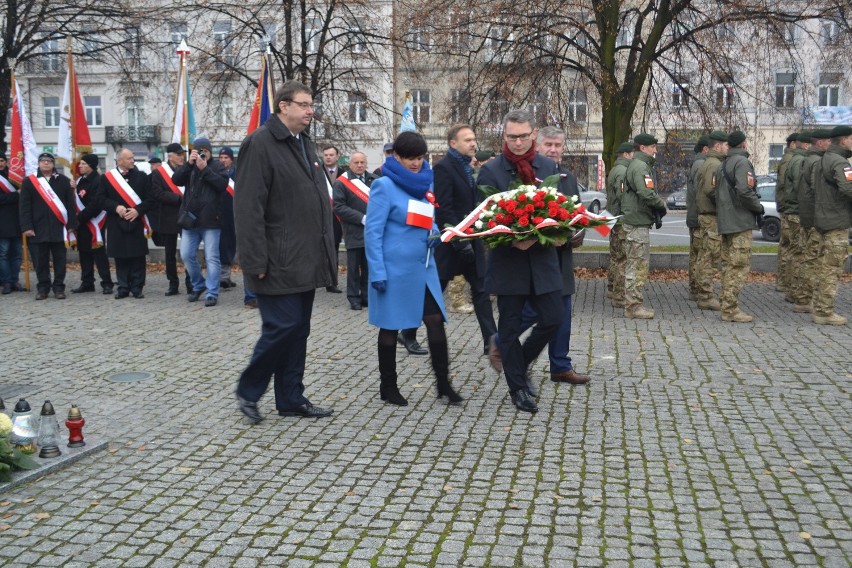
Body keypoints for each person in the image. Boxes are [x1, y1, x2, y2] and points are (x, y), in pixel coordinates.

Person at [234, 80, 337, 423]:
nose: (310, 111)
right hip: (275, 261)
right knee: (282, 328)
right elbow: (248, 209)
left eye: (312, 105)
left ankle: (291, 397)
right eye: (304, 105)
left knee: (297, 330)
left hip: (304, 259)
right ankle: (249, 391)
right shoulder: (259, 144)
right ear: (283, 106)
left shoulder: (303, 143)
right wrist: (254, 261)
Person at [365, 131, 462, 407]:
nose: (416, 163)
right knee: (390, 328)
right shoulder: (384, 185)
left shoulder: (423, 184)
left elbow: (424, 219)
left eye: (419, 157)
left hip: (424, 269)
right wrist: (378, 272)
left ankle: (443, 384)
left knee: (434, 321)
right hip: (393, 272)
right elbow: (373, 232)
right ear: (396, 156)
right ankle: (389, 386)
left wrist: (434, 232)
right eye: (409, 157)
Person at [478, 109, 563, 413]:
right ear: (504, 136)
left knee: (554, 317)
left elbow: (561, 211)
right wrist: (511, 237)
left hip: (542, 260)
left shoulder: (548, 167)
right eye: (511, 137)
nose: (517, 142)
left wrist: (557, 233)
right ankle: (518, 387)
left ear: (532, 134)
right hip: (508, 261)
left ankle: (520, 361)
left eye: (523, 136)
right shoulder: (491, 172)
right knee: (510, 327)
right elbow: (482, 221)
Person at [515, 126, 591, 391]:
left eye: (558, 145)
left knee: (562, 312)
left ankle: (560, 365)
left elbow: (578, 214)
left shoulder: (568, 177)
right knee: (531, 311)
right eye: (549, 144)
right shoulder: (528, 175)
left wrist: (578, 232)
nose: (554, 150)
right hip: (534, 257)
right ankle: (502, 342)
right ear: (537, 145)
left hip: (562, 257)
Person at [433, 124, 497, 354]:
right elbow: (444, 209)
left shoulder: (467, 167)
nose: (473, 143)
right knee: (434, 290)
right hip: (452, 243)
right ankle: (408, 332)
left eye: (474, 139)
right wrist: (459, 242)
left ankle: (491, 341)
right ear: (453, 143)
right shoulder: (443, 168)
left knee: (481, 290)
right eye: (467, 140)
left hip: (472, 240)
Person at [173, 137, 230, 307]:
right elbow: (175, 180)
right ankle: (199, 285)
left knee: (212, 257)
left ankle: (212, 292)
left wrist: (205, 170)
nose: (201, 154)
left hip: (211, 220)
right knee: (186, 255)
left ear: (210, 152)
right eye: (198, 151)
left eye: (205, 151)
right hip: (191, 220)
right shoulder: (189, 166)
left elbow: (222, 185)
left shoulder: (218, 166)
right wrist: (188, 165)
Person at [715, 130, 763, 323]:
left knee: (728, 266)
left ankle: (726, 304)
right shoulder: (742, 163)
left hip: (726, 221)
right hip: (739, 221)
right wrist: (758, 207)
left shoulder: (723, 164)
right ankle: (730, 309)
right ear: (743, 144)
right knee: (738, 266)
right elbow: (744, 190)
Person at [96, 148, 154, 299]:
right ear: (119, 161)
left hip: (136, 221)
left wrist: (138, 210)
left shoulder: (142, 177)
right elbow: (100, 199)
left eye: (132, 158)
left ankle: (137, 287)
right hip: (116, 222)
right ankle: (123, 286)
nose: (132, 160)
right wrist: (116, 207)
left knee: (138, 256)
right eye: (129, 158)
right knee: (120, 256)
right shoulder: (107, 178)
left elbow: (150, 199)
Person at [621, 133, 667, 319]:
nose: (655, 150)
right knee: (637, 266)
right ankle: (633, 307)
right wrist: (660, 204)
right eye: (652, 147)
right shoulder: (640, 166)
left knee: (635, 264)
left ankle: (633, 305)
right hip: (637, 222)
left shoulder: (637, 165)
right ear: (642, 148)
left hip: (636, 221)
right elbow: (645, 193)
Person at [19, 153, 77, 300]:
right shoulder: (29, 182)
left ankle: (59, 288)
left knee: (60, 260)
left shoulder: (63, 181)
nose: (46, 163)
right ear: (38, 164)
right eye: (43, 161)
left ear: (53, 164)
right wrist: (27, 227)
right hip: (38, 228)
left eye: (49, 161)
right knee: (40, 261)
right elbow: (24, 207)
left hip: (59, 228)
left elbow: (71, 205)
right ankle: (43, 288)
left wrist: (71, 224)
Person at [811, 125, 852, 325]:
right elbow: (847, 187)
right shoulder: (840, 162)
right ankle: (824, 312)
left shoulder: (822, 160)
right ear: (843, 140)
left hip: (823, 219)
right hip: (836, 221)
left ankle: (820, 306)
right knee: (832, 268)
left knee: (822, 267)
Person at [795, 129, 832, 314]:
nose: (830, 144)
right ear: (819, 143)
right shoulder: (817, 161)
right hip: (814, 217)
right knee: (812, 259)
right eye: (827, 141)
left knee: (807, 257)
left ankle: (803, 296)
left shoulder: (807, 159)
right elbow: (819, 189)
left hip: (807, 214)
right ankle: (804, 298)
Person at [333, 151, 375, 310]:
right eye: (356, 162)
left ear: (366, 164)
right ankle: (353, 297)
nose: (359, 165)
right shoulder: (341, 183)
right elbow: (338, 207)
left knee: (368, 267)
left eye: (362, 162)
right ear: (350, 164)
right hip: (353, 231)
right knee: (353, 268)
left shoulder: (374, 180)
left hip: (372, 232)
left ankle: (366, 296)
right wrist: (361, 218)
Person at [694, 130, 729, 311]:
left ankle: (703, 293)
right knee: (710, 257)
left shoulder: (710, 162)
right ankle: (706, 296)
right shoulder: (714, 164)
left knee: (705, 256)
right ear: (718, 146)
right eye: (725, 145)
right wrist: (726, 201)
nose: (727, 148)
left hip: (707, 216)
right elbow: (710, 189)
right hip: (711, 216)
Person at [71, 154, 114, 294]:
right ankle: (87, 282)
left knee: (99, 253)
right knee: (84, 253)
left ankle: (107, 283)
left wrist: (81, 217)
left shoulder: (99, 180)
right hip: (83, 223)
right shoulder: (80, 181)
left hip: (95, 222)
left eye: (83, 164)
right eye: (80, 164)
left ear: (91, 166)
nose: (80, 166)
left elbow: (96, 203)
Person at [149, 143, 187, 296]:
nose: (181, 157)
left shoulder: (186, 170)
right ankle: (173, 283)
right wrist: (178, 199)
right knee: (169, 253)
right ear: (170, 156)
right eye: (178, 154)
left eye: (182, 154)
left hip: (186, 216)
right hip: (168, 216)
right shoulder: (159, 173)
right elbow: (158, 193)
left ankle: (191, 282)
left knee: (188, 252)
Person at [781, 132, 811, 307]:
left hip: (792, 210)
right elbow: (802, 187)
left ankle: (792, 289)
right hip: (797, 211)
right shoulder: (799, 161)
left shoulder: (794, 159)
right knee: (799, 252)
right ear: (806, 145)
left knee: (793, 251)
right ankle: (797, 293)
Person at [605, 142, 633, 307]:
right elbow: (624, 197)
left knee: (615, 257)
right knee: (622, 258)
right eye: (632, 154)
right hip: (621, 219)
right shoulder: (623, 171)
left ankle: (612, 287)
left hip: (612, 217)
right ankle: (620, 295)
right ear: (627, 154)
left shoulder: (615, 169)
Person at [686, 136, 709, 300]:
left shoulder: (697, 163)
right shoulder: (701, 165)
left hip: (694, 214)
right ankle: (698, 288)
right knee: (700, 254)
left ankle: (695, 288)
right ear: (705, 149)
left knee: (696, 254)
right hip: (699, 215)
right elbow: (702, 193)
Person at [775, 132, 798, 294]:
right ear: (792, 144)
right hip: (787, 207)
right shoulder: (789, 160)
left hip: (785, 206)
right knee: (788, 246)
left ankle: (783, 281)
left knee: (786, 245)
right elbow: (784, 184)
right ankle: (784, 281)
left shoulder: (789, 159)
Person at [322, 145, 345, 294]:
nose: (328, 157)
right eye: (325, 155)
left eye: (331, 155)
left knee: (334, 250)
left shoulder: (344, 174)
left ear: (337, 156)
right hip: (321, 218)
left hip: (337, 219)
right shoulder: (316, 172)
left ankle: (332, 282)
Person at [0, 154, 23, 294]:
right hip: (2, 223)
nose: (0, 163)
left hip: (17, 221)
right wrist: (17, 195)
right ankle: (6, 281)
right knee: (3, 254)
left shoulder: (15, 177)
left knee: (17, 254)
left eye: (2, 160)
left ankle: (15, 280)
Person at [217, 146, 238, 290]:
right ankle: (223, 276)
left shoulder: (237, 174)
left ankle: (226, 275)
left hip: (234, 214)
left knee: (231, 244)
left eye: (226, 158)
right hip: (218, 214)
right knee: (221, 245)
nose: (223, 160)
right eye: (221, 158)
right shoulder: (215, 172)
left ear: (231, 160)